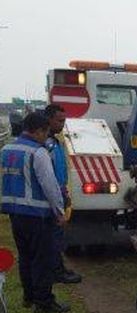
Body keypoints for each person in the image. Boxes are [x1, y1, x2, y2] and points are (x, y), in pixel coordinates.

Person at [1, 112, 70, 313]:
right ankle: (44, 302)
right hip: (37, 215)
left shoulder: (6, 149)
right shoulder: (37, 153)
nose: (45, 136)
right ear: (39, 131)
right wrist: (59, 211)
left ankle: (29, 296)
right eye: (45, 132)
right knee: (42, 259)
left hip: (14, 213)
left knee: (26, 256)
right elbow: (50, 185)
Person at [44, 104, 81, 284]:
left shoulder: (54, 141)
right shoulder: (47, 144)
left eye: (64, 120)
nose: (62, 124)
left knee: (57, 235)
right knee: (54, 236)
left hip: (60, 190)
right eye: (59, 120)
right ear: (48, 119)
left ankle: (58, 268)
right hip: (53, 193)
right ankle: (57, 271)